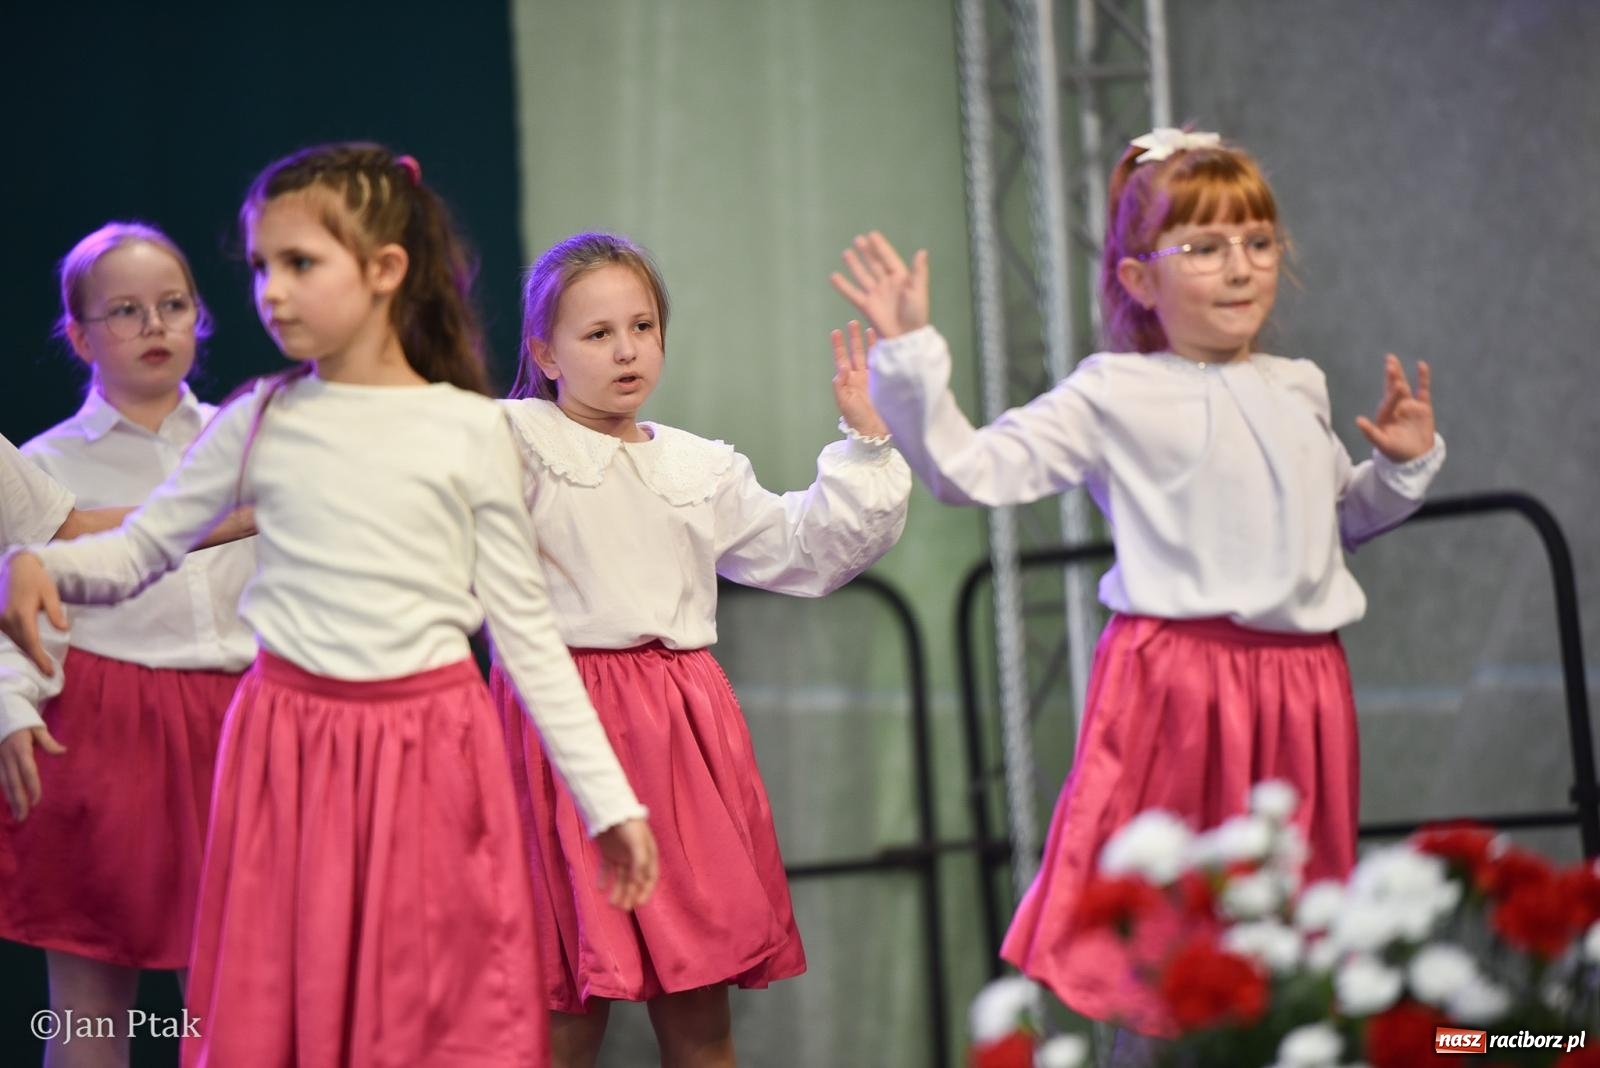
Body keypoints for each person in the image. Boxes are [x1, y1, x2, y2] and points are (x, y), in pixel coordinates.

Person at [1, 145, 657, 1067]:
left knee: (430, 1010)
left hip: (431, 749)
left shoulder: (467, 429)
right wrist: (39, 563)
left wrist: (608, 801)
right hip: (288, 748)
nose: (272, 290)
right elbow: (143, 549)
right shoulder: (260, 416)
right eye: (263, 266)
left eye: (299, 264)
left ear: (385, 272)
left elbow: (527, 638)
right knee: (285, 1013)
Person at [830, 128, 1444, 1037]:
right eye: (1204, 247)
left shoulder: (1299, 384)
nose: (1241, 267)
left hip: (1305, 688)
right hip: (1177, 687)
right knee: (1166, 948)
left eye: (1259, 241)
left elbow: (1333, 528)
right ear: (1138, 279)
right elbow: (969, 470)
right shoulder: (1113, 390)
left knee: (1290, 942)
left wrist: (1398, 469)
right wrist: (914, 356)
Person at [496, 231, 911, 1067]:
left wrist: (866, 439)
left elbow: (805, 548)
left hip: (680, 736)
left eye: (642, 327)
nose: (626, 350)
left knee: (698, 1008)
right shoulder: (514, 440)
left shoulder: (698, 466)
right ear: (544, 352)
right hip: (560, 734)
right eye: (597, 333)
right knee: (565, 1005)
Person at [0, 222, 257, 1068]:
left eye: (173, 304)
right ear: (78, 335)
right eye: (125, 310)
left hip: (237, 728)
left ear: (200, 316)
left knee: (235, 1005)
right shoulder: (45, 466)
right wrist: (10, 708)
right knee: (88, 1014)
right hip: (104, 734)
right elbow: (20, 609)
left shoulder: (250, 440)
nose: (154, 324)